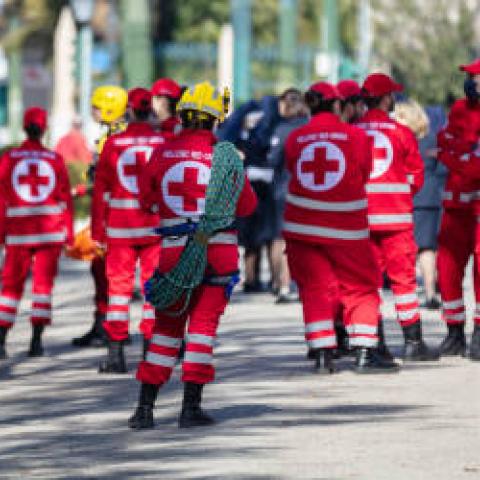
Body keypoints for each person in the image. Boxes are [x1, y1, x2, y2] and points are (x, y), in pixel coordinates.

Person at [128, 82, 257, 429]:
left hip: (173, 257)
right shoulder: (224, 157)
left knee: (165, 332)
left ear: (183, 116)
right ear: (215, 120)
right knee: (201, 331)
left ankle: (144, 409)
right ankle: (190, 408)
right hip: (218, 257)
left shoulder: (162, 152)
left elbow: (145, 199)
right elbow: (247, 206)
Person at [283, 81, 399, 374]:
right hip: (345, 227)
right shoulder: (356, 137)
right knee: (361, 286)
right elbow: (364, 172)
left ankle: (323, 354)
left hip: (302, 227)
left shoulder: (295, 138)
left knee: (315, 288)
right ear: (337, 105)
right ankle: (364, 351)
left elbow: (291, 169)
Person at [357, 73, 438, 361]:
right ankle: (413, 343)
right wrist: (399, 195)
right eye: (391, 95)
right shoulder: (402, 133)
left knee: (367, 283)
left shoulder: (354, 132)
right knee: (403, 282)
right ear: (385, 98)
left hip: (362, 221)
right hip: (396, 219)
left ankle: (373, 342)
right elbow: (416, 176)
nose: (394, 99)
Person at [92, 87, 169, 373]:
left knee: (119, 291)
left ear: (129, 111)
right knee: (153, 288)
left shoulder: (113, 144)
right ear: (149, 110)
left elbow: (101, 193)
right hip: (154, 228)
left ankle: (115, 355)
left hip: (121, 228)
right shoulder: (163, 143)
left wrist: (97, 232)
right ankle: (150, 349)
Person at [0, 107, 73, 358]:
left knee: (10, 288)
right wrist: (69, 234)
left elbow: (1, 200)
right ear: (44, 129)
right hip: (49, 234)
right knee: (43, 288)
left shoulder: (9, 159)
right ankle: (36, 342)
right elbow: (65, 201)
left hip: (18, 234)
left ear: (24, 127)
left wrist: (1, 234)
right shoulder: (55, 160)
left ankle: (1, 342)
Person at [71, 85, 128, 348]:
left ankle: (109, 328)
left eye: (95, 106)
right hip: (113, 212)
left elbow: (107, 180)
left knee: (106, 272)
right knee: (102, 271)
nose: (92, 111)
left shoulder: (113, 140)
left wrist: (83, 188)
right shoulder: (112, 135)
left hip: (111, 214)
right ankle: (102, 324)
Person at [436, 59, 480, 360]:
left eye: (476, 77)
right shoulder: (460, 109)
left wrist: (459, 158)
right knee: (447, 267)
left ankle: (479, 332)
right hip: (456, 202)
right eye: (470, 77)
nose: (472, 82)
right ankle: (454, 332)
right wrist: (462, 159)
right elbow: (444, 141)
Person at [395, 100, 446, 310]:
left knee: (413, 248)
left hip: (409, 200)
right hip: (431, 200)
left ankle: (415, 290)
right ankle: (431, 292)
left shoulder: (400, 141)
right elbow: (443, 170)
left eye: (399, 116)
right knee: (427, 248)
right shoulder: (434, 141)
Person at [266, 88, 308, 303]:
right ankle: (305, 285)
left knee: (280, 238)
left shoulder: (282, 130)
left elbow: (273, 160)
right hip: (310, 190)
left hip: (284, 189)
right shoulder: (310, 127)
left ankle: (282, 285)